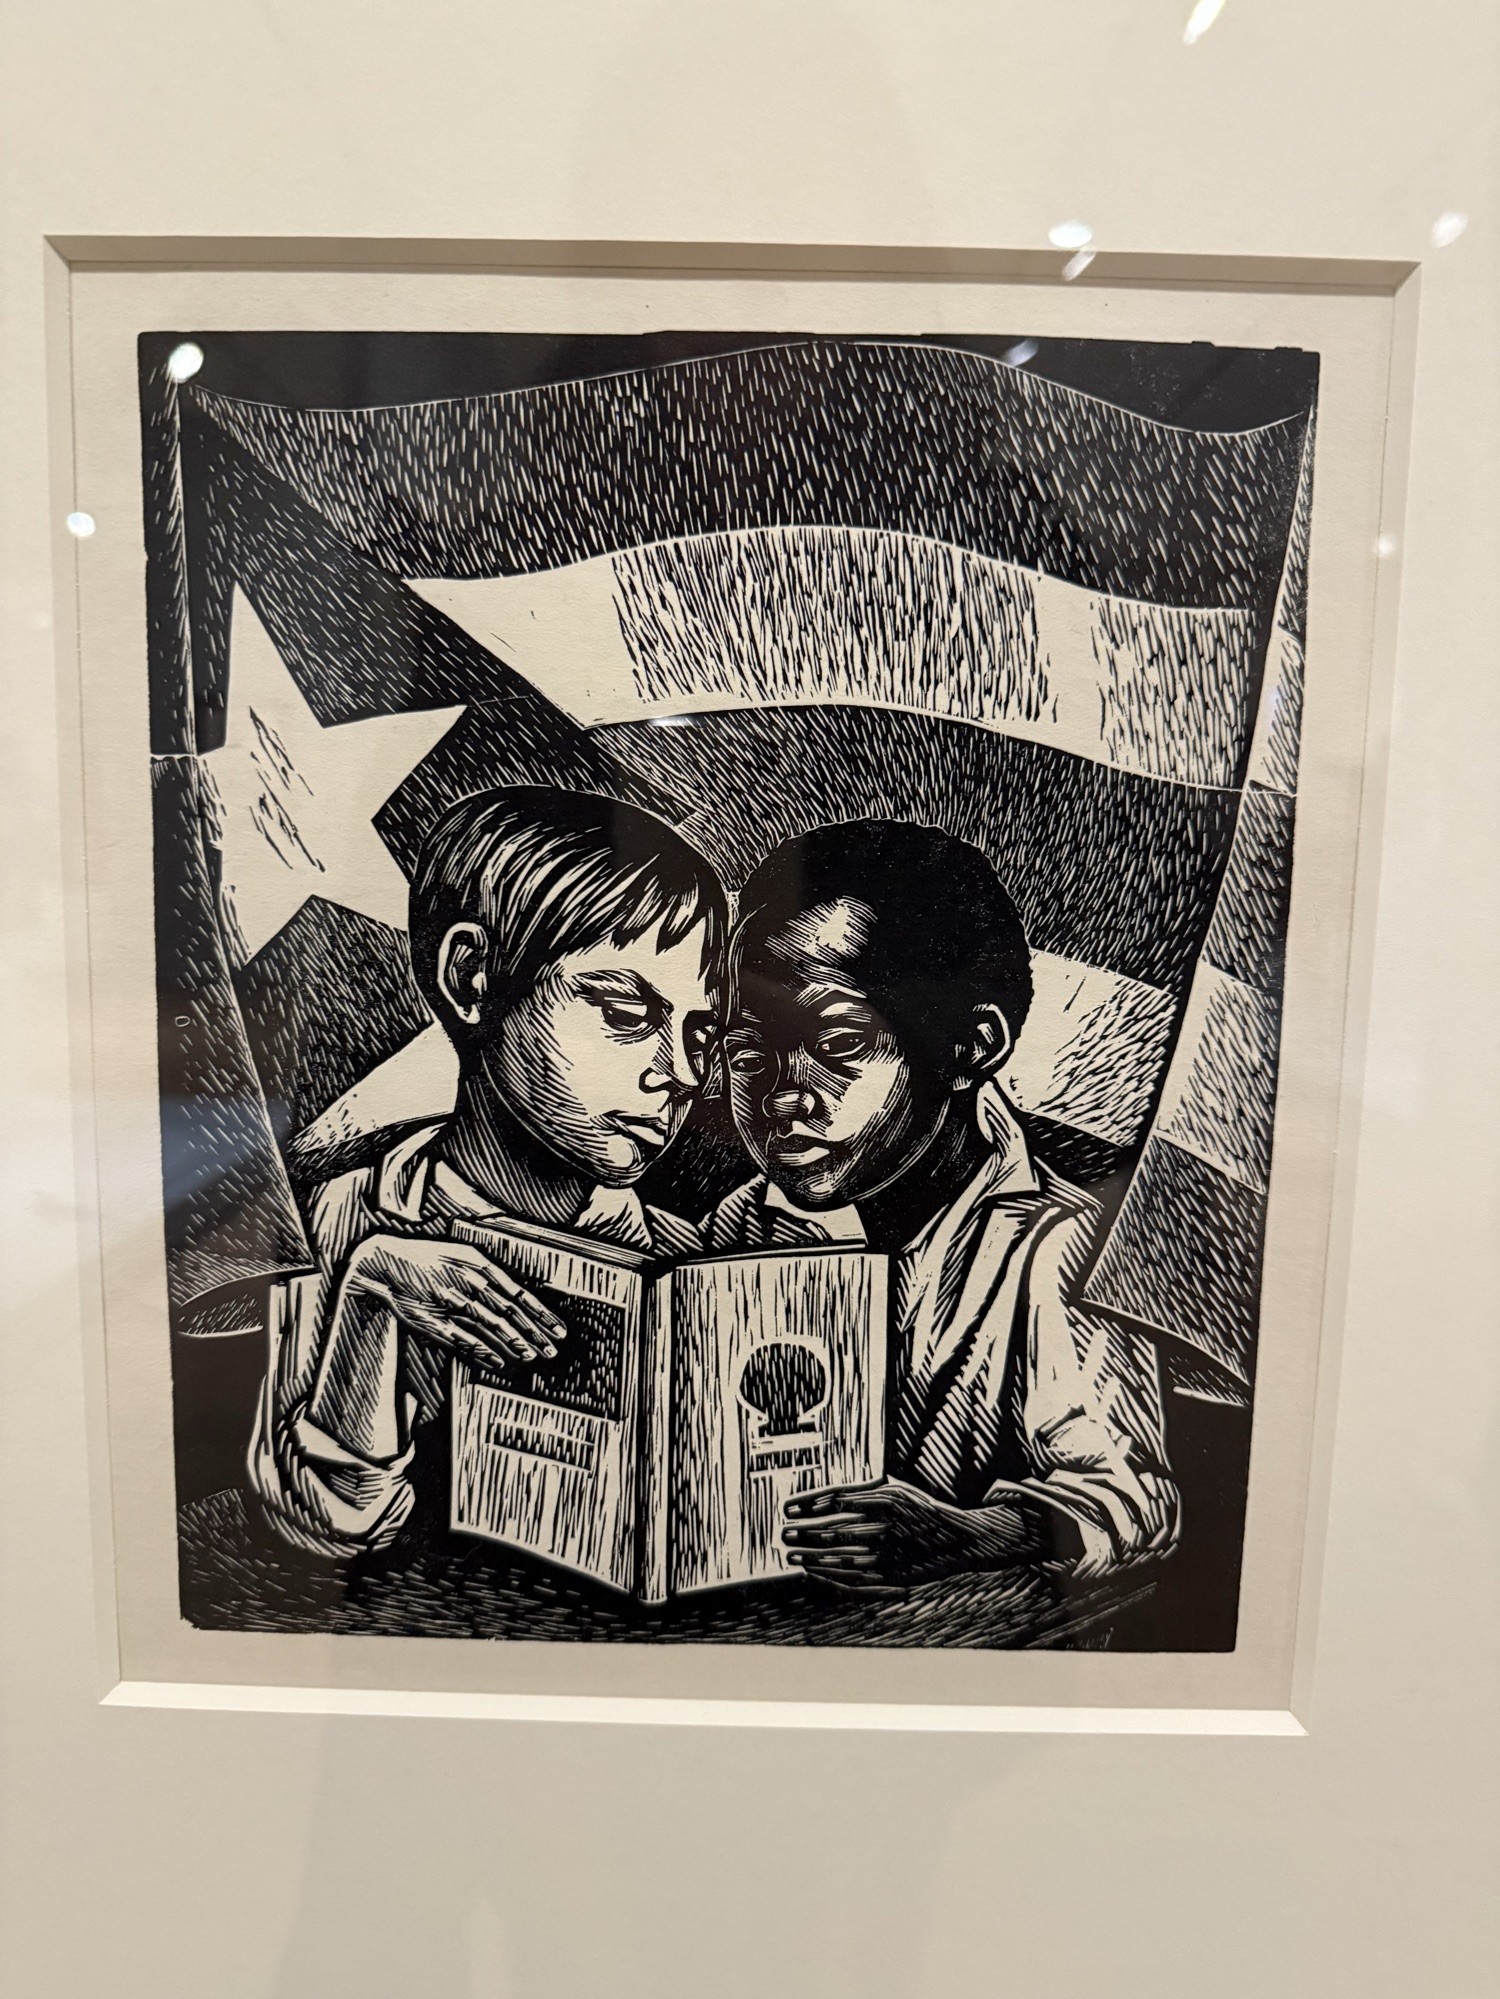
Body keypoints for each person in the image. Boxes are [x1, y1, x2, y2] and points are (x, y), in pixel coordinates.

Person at [250, 786, 727, 1557]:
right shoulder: (332, 1221)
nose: (680, 1073)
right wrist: (369, 1302)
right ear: (474, 978)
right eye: (626, 1014)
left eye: (701, 1036)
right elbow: (316, 1528)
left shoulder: (692, 1263)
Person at [706, 819, 1178, 1591]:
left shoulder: (1060, 1247)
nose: (782, 1096)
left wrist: (969, 1534)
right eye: (749, 1052)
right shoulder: (745, 1221)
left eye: (837, 1045)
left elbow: (1130, 1497)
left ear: (970, 1047)